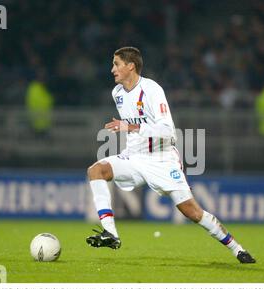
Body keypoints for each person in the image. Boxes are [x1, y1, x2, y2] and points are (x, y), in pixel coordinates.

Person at [86, 47, 255, 264]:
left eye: (116, 64)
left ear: (131, 66)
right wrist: (131, 130)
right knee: (96, 171)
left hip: (161, 158)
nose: (112, 69)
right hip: (134, 156)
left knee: (191, 212)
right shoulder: (117, 93)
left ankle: (237, 249)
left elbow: (167, 131)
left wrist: (131, 126)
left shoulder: (152, 90)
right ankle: (111, 233)